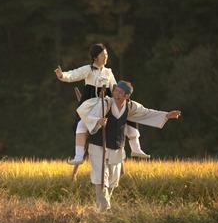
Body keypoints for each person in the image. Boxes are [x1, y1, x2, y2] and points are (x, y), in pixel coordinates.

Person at [77, 80, 181, 211]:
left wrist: (166, 115)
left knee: (113, 179)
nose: (116, 93)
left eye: (120, 92)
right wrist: (98, 121)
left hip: (117, 146)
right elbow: (89, 115)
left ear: (127, 96)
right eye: (115, 90)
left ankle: (100, 209)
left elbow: (146, 112)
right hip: (99, 146)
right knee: (101, 177)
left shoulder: (130, 106)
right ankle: (104, 208)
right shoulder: (105, 103)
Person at [54, 44, 150, 166]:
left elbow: (115, 87)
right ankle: (78, 156)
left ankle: (136, 148)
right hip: (91, 106)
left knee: (127, 114)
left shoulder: (108, 72)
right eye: (103, 55)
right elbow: (74, 74)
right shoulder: (88, 69)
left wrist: (122, 98)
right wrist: (62, 75)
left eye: (106, 55)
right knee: (81, 124)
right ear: (95, 57)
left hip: (106, 104)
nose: (106, 57)